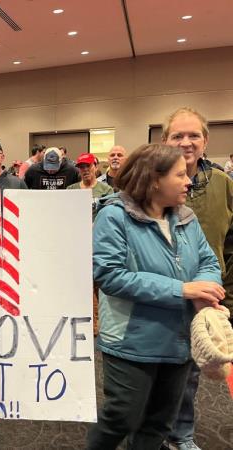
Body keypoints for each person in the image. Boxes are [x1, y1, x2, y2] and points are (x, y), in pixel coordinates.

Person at [87, 143, 224, 450]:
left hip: (179, 340)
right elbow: (109, 275)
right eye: (180, 175)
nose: (189, 181)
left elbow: (209, 263)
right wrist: (182, 290)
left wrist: (206, 286)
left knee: (159, 423)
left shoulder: (186, 217)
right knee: (121, 417)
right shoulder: (114, 217)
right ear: (153, 180)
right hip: (131, 341)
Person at [161, 107, 233, 450]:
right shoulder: (150, 184)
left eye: (194, 136)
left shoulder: (223, 185)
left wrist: (226, 299)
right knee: (153, 372)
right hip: (160, 296)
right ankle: (149, 431)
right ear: (164, 141)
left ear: (206, 141)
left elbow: (230, 245)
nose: (186, 143)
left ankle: (181, 434)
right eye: (178, 135)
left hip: (206, 300)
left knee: (190, 374)